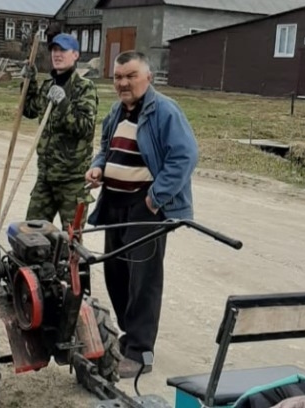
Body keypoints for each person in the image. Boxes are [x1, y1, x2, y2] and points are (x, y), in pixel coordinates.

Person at [85, 50, 199, 379]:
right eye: (118, 77)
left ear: (147, 77)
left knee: (143, 281)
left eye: (131, 76)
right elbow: (106, 148)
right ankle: (129, 336)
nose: (123, 83)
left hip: (144, 209)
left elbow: (185, 156)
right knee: (116, 275)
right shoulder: (116, 111)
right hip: (115, 205)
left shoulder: (164, 111)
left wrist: (155, 198)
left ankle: (141, 351)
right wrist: (97, 168)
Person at [22, 33, 98, 231]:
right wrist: (28, 84)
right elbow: (30, 110)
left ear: (75, 55)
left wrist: (64, 103)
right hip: (45, 177)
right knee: (32, 234)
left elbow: (85, 128)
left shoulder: (84, 88)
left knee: (71, 244)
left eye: (62, 50)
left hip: (72, 181)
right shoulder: (48, 85)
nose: (57, 54)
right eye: (54, 50)